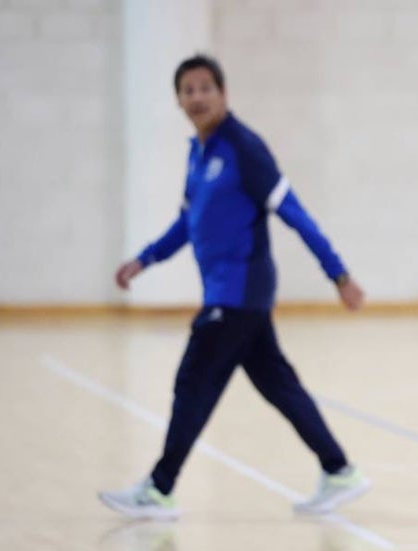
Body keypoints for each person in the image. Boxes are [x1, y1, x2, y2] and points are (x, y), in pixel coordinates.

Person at [99, 54, 370, 521]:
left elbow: (296, 214)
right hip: (232, 295)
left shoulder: (245, 149)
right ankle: (340, 469)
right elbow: (190, 222)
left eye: (206, 87)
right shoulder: (198, 154)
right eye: (188, 89)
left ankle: (159, 490)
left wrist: (338, 274)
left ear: (224, 94)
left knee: (193, 381)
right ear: (179, 100)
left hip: (239, 292)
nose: (197, 96)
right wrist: (144, 260)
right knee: (278, 385)